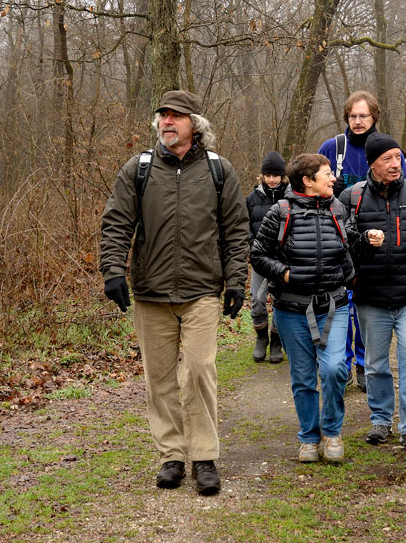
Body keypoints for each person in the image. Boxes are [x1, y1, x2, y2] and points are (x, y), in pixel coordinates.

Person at [99, 90, 250, 496]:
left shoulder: (220, 171)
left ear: (194, 124)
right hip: (150, 290)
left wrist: (236, 280)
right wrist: (114, 271)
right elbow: (116, 222)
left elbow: (237, 231)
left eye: (176, 116)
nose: (167, 121)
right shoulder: (138, 170)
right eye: (163, 115)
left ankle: (204, 457)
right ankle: (172, 455)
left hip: (202, 289)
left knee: (199, 370)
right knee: (159, 377)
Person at [251, 154, 382, 463]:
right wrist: (285, 275)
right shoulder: (280, 211)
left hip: (332, 306)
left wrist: (367, 240)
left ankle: (333, 432)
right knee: (303, 377)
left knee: (336, 369)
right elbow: (258, 254)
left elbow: (347, 245)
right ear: (308, 181)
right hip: (291, 309)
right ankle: (309, 438)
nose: (332, 179)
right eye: (326, 174)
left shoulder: (336, 208)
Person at [341, 133, 406, 452]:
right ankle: (381, 419)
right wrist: (361, 245)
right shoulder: (351, 197)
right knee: (374, 362)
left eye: (398, 157)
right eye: (386, 159)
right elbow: (343, 245)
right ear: (372, 163)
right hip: (370, 296)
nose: (394, 164)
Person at [317, 91, 406, 392]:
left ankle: (362, 361)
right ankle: (341, 364)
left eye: (364, 116)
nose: (358, 121)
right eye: (353, 116)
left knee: (366, 305)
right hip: (336, 236)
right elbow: (311, 186)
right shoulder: (333, 148)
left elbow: (404, 190)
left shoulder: (389, 149)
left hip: (377, 240)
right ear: (346, 117)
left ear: (374, 118)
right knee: (340, 302)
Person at [246, 151, 289, 363]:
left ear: (283, 175)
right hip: (260, 260)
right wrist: (253, 245)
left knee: (281, 302)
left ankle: (277, 342)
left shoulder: (292, 197)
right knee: (257, 301)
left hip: (283, 261)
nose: (271, 179)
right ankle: (261, 338)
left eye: (275, 175)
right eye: (268, 175)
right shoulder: (252, 199)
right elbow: (245, 227)